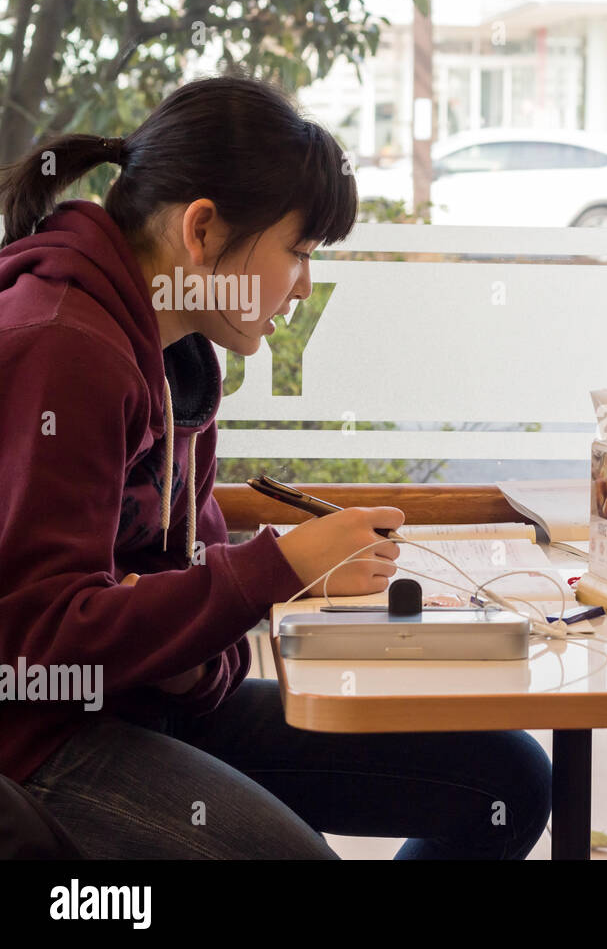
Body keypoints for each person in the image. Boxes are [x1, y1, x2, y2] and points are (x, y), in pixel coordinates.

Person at [0, 75, 551, 859]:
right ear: (201, 230)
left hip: (136, 703)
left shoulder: (181, 356)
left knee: (509, 780)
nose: (303, 287)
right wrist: (276, 569)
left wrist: (214, 635)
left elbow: (183, 589)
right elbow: (36, 639)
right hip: (38, 737)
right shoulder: (66, 350)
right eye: (297, 251)